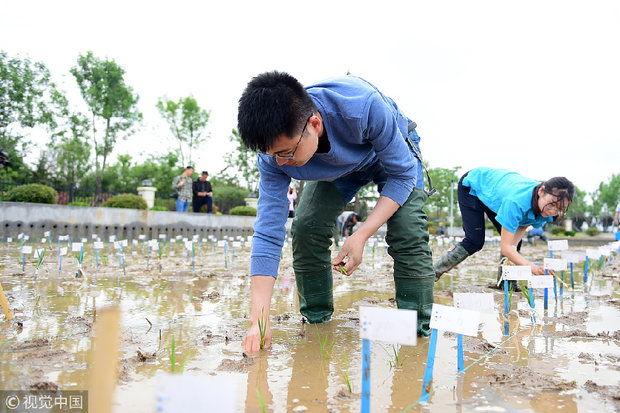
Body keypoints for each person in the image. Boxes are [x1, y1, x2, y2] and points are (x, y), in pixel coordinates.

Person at [237, 71, 435, 353]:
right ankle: (317, 322)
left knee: (408, 230)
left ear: (314, 124)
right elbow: (268, 232)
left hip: (390, 156)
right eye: (273, 155)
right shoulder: (273, 157)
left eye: (287, 152)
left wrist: (361, 235)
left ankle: (416, 336)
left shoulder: (362, 107)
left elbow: (402, 177)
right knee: (305, 227)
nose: (281, 162)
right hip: (340, 169)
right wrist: (259, 318)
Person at [433, 168, 574, 281]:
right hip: (474, 186)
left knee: (515, 244)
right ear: (541, 191)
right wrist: (533, 268)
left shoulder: (546, 209)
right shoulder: (516, 202)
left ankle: (506, 284)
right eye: (552, 204)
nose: (553, 211)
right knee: (475, 241)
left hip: (498, 192)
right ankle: (433, 274)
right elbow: (505, 248)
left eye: (560, 208)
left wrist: (513, 247)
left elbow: (523, 224)